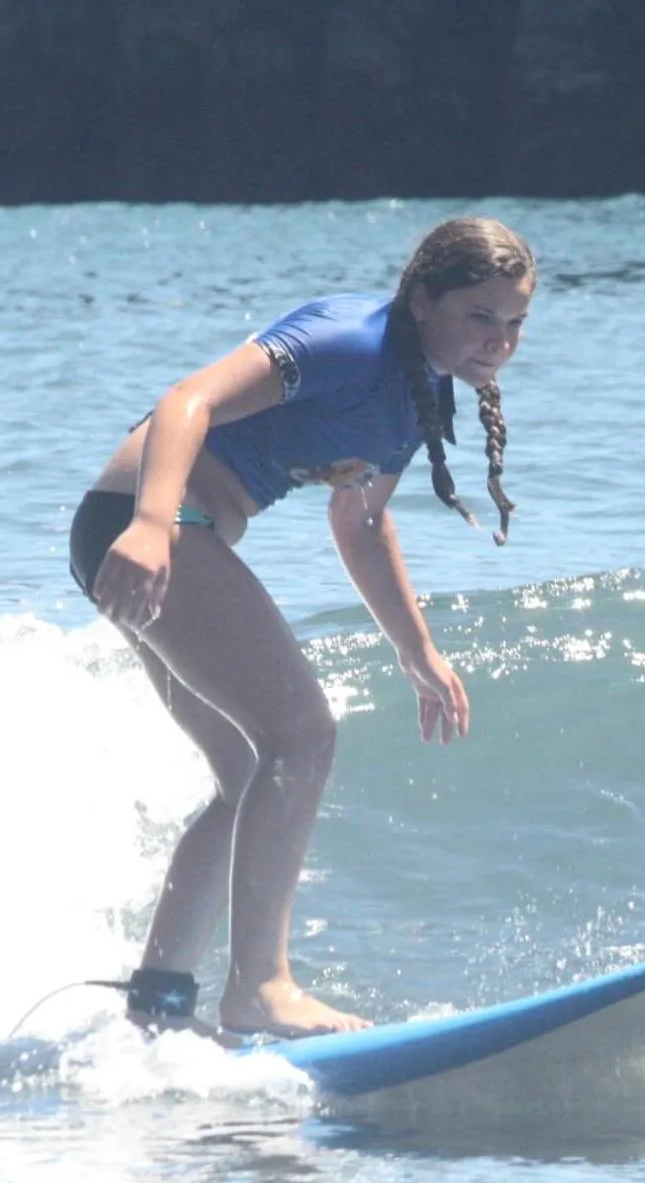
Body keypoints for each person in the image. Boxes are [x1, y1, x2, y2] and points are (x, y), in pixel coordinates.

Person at [69, 217, 538, 1040]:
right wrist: (148, 526)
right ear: (421, 300)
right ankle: (261, 989)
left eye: (514, 323)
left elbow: (360, 522)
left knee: (245, 772)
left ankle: (159, 1002)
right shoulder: (348, 343)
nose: (497, 341)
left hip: (148, 531)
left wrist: (416, 649)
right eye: (478, 317)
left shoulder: (417, 392)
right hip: (151, 525)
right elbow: (188, 402)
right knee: (301, 738)